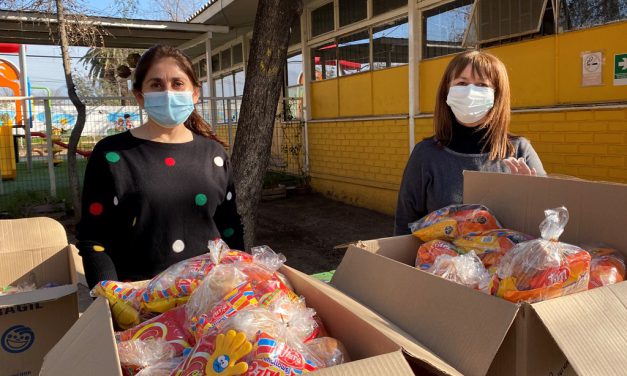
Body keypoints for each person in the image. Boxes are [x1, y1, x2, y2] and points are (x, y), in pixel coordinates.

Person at [76, 45, 244, 289]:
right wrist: (113, 301)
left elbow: (230, 227)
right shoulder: (112, 155)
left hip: (210, 300)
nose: (168, 93)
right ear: (140, 96)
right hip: (140, 304)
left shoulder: (214, 155)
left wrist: (242, 278)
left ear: (195, 94)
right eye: (156, 84)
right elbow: (94, 240)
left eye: (177, 83)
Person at [394, 50, 545, 236]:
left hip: (507, 263)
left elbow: (549, 226)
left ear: (497, 95)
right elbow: (404, 225)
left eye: (482, 84)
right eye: (462, 83)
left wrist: (534, 198)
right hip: (437, 263)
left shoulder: (519, 150)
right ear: (447, 91)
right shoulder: (425, 154)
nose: (470, 92)